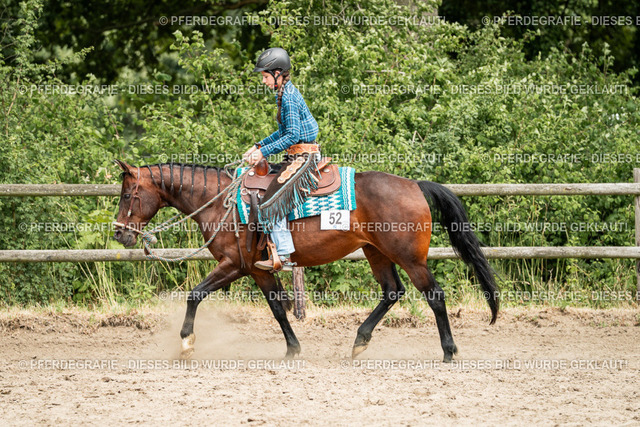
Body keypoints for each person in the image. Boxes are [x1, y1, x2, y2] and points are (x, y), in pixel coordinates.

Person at [243, 47, 320, 271]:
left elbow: (293, 136)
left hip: (304, 156)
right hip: (296, 154)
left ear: (277, 73)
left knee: (272, 201)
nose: (264, 81)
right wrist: (258, 146)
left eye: (265, 77)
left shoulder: (288, 98)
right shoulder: (285, 93)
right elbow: (283, 133)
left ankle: (284, 255)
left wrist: (263, 153)